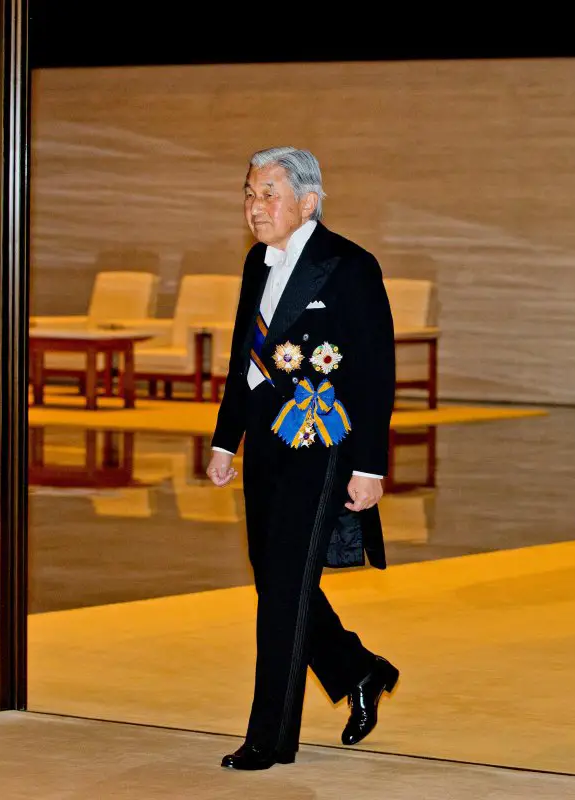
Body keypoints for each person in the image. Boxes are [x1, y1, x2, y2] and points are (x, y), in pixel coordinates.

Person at [206, 146, 399, 771]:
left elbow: (375, 374)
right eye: (249, 193)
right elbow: (244, 357)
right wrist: (224, 439)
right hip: (265, 443)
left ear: (307, 202)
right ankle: (360, 670)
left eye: (269, 194)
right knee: (278, 580)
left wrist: (370, 466)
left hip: (322, 445)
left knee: (284, 588)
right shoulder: (255, 265)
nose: (255, 207)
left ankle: (270, 736)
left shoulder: (348, 266)